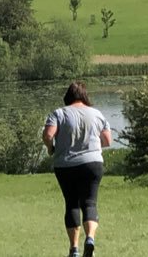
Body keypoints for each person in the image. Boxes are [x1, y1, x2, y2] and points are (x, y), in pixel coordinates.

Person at [45, 81, 112, 257]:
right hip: (93, 164)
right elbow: (107, 141)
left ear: (67, 97)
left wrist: (50, 148)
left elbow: (48, 135)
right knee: (90, 203)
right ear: (84, 96)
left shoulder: (59, 113)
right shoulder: (97, 114)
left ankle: (74, 249)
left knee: (72, 204)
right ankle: (90, 238)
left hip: (66, 165)